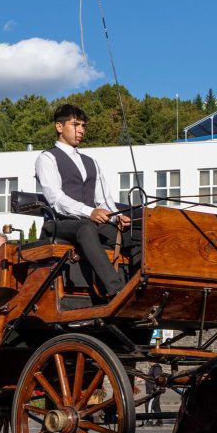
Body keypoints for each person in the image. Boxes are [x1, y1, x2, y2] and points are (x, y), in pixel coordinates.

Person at [34, 103, 133, 297]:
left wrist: (115, 217)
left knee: (137, 235)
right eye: (76, 125)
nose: (81, 130)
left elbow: (104, 199)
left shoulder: (91, 162)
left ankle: (142, 285)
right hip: (60, 224)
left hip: (91, 222)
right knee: (85, 227)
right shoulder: (47, 158)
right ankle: (117, 290)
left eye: (83, 126)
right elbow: (55, 198)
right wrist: (90, 212)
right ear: (59, 127)